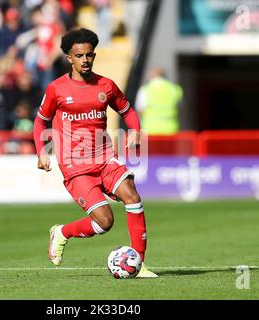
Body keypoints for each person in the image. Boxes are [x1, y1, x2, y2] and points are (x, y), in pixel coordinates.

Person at [32, 28, 157, 278]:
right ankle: (62, 232)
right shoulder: (56, 89)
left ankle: (139, 263)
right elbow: (39, 121)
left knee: (132, 197)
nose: (85, 60)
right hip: (75, 166)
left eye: (89, 55)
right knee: (105, 222)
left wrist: (134, 130)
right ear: (69, 58)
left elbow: (128, 111)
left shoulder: (106, 85)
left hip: (104, 157)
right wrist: (41, 153)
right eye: (79, 56)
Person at [135, 67, 183, 135]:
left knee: (149, 146)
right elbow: (179, 109)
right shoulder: (175, 89)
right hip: (170, 130)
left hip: (150, 129)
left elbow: (140, 110)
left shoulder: (145, 90)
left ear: (151, 76)